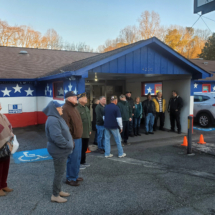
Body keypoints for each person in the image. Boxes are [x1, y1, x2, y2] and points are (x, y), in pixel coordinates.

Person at [43, 101, 73, 203]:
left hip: (61, 150)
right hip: (59, 151)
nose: (62, 109)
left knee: (60, 172)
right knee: (59, 173)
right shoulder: (53, 120)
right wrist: (68, 145)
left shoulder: (56, 118)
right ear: (55, 109)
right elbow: (56, 137)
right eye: (59, 107)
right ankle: (55, 195)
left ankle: (58, 190)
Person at [62, 91, 83, 187]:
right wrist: (70, 140)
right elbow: (66, 127)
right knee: (72, 158)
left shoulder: (74, 108)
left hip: (78, 137)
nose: (76, 98)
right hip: (73, 138)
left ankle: (75, 175)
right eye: (75, 97)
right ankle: (70, 178)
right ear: (69, 98)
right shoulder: (66, 109)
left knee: (77, 158)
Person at [0, 103, 14, 197]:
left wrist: (11, 134)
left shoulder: (3, 116)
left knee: (5, 166)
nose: (0, 106)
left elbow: (9, 127)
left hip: (6, 145)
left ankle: (3, 185)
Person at [76, 93, 92, 168]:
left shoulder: (86, 107)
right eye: (84, 97)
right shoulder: (76, 108)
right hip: (80, 133)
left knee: (84, 147)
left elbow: (89, 120)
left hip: (86, 132)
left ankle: (83, 161)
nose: (86, 98)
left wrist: (90, 129)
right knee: (79, 148)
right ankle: (78, 163)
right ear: (79, 99)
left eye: (86, 97)